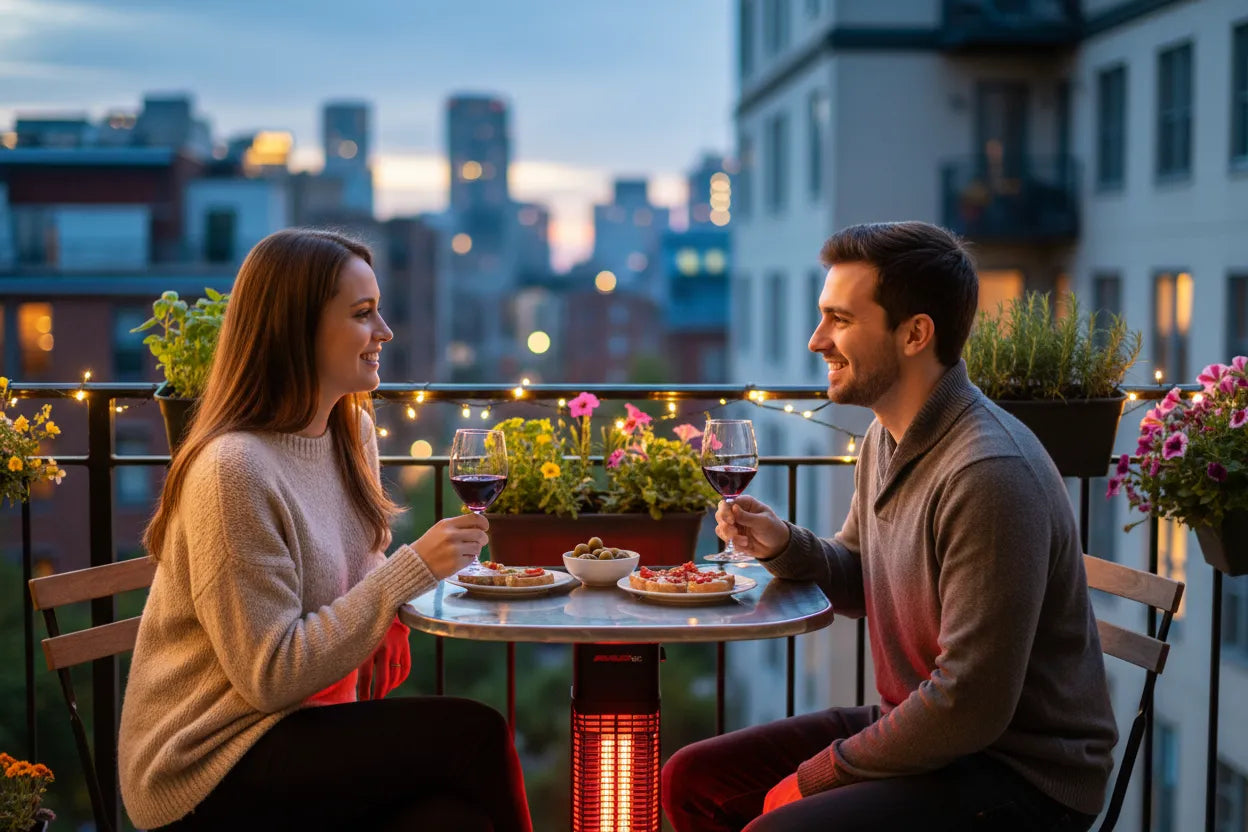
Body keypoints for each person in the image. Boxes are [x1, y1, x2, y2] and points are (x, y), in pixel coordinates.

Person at [662, 222, 1118, 832]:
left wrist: (813, 778)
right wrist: (782, 545)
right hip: (929, 732)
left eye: (840, 320)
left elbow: (969, 705)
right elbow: (856, 577)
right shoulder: (885, 437)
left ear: (914, 334)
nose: (815, 340)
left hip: (1019, 775)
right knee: (694, 779)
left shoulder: (988, 473)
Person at [119, 229, 533, 832]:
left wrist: (386, 606)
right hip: (209, 763)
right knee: (473, 736)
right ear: (296, 329)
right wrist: (403, 577)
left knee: (451, 817)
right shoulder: (234, 470)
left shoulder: (350, 431)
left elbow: (361, 562)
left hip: (300, 731)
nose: (385, 332)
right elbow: (270, 676)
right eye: (363, 314)